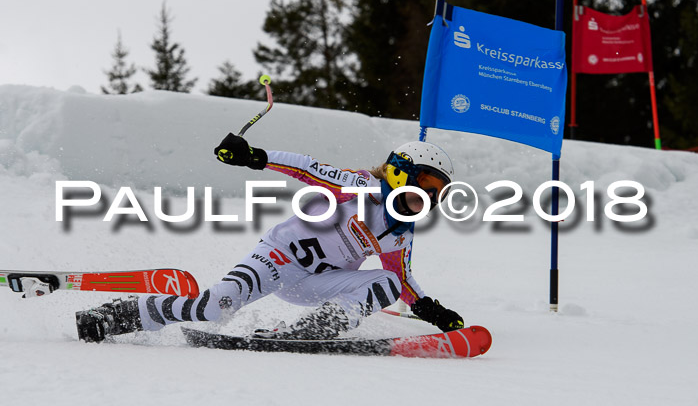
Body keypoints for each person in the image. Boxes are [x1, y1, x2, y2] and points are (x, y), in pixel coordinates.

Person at [75, 134, 465, 342]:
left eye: (440, 192)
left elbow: (404, 280)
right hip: (278, 259)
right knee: (216, 306)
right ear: (400, 172)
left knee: (388, 282)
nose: (430, 199)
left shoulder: (401, 234)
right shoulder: (357, 185)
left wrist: (431, 310)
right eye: (428, 184)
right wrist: (253, 156)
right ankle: (114, 317)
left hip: (316, 286)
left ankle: (318, 328)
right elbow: (307, 168)